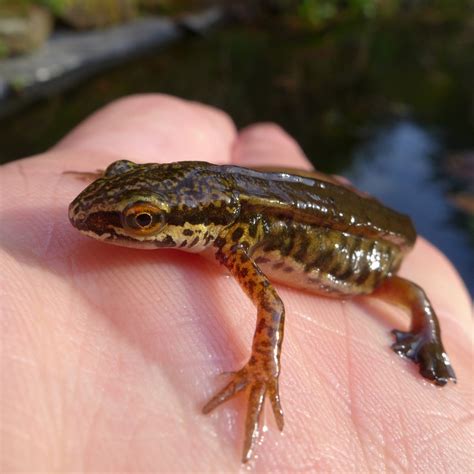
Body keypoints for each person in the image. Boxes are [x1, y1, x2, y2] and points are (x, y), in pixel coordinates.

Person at [1, 94, 472, 472]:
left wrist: (260, 369)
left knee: (410, 294)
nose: (100, 222)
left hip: (374, 253)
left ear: (208, 225)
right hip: (283, 194)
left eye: (141, 219)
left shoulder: (234, 239)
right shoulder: (217, 211)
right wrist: (119, 182)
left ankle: (429, 340)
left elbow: (273, 307)